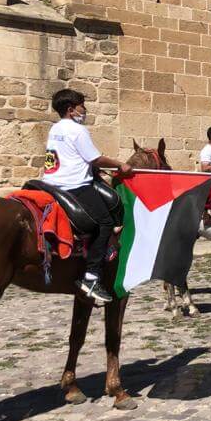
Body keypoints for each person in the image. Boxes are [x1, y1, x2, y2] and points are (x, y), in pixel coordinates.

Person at [41, 88, 133, 305]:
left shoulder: (55, 129)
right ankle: (91, 276)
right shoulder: (77, 130)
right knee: (105, 222)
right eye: (82, 105)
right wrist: (121, 164)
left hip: (50, 183)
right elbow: (95, 158)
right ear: (71, 110)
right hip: (73, 185)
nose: (85, 109)